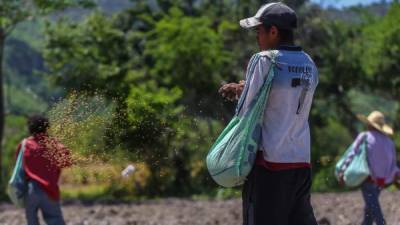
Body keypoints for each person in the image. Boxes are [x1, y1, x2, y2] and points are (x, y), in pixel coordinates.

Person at [219, 2, 319, 225]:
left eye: (258, 31)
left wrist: (238, 91)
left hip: (269, 165)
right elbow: (284, 100)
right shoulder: (309, 63)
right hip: (301, 163)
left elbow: (247, 111)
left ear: (273, 31)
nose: (257, 37)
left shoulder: (264, 60)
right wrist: (245, 88)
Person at [340, 111, 399, 225]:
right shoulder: (389, 142)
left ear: (369, 124)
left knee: (373, 208)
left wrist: (342, 170)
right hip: (381, 181)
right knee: (369, 208)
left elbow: (352, 153)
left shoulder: (364, 136)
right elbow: (393, 163)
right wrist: (395, 176)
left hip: (368, 178)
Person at [16, 115, 72, 225]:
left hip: (31, 189)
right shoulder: (54, 145)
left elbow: (19, 166)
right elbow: (67, 161)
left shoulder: (24, 144)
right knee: (55, 219)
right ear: (47, 127)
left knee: (32, 221)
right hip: (50, 190)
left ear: (30, 128)